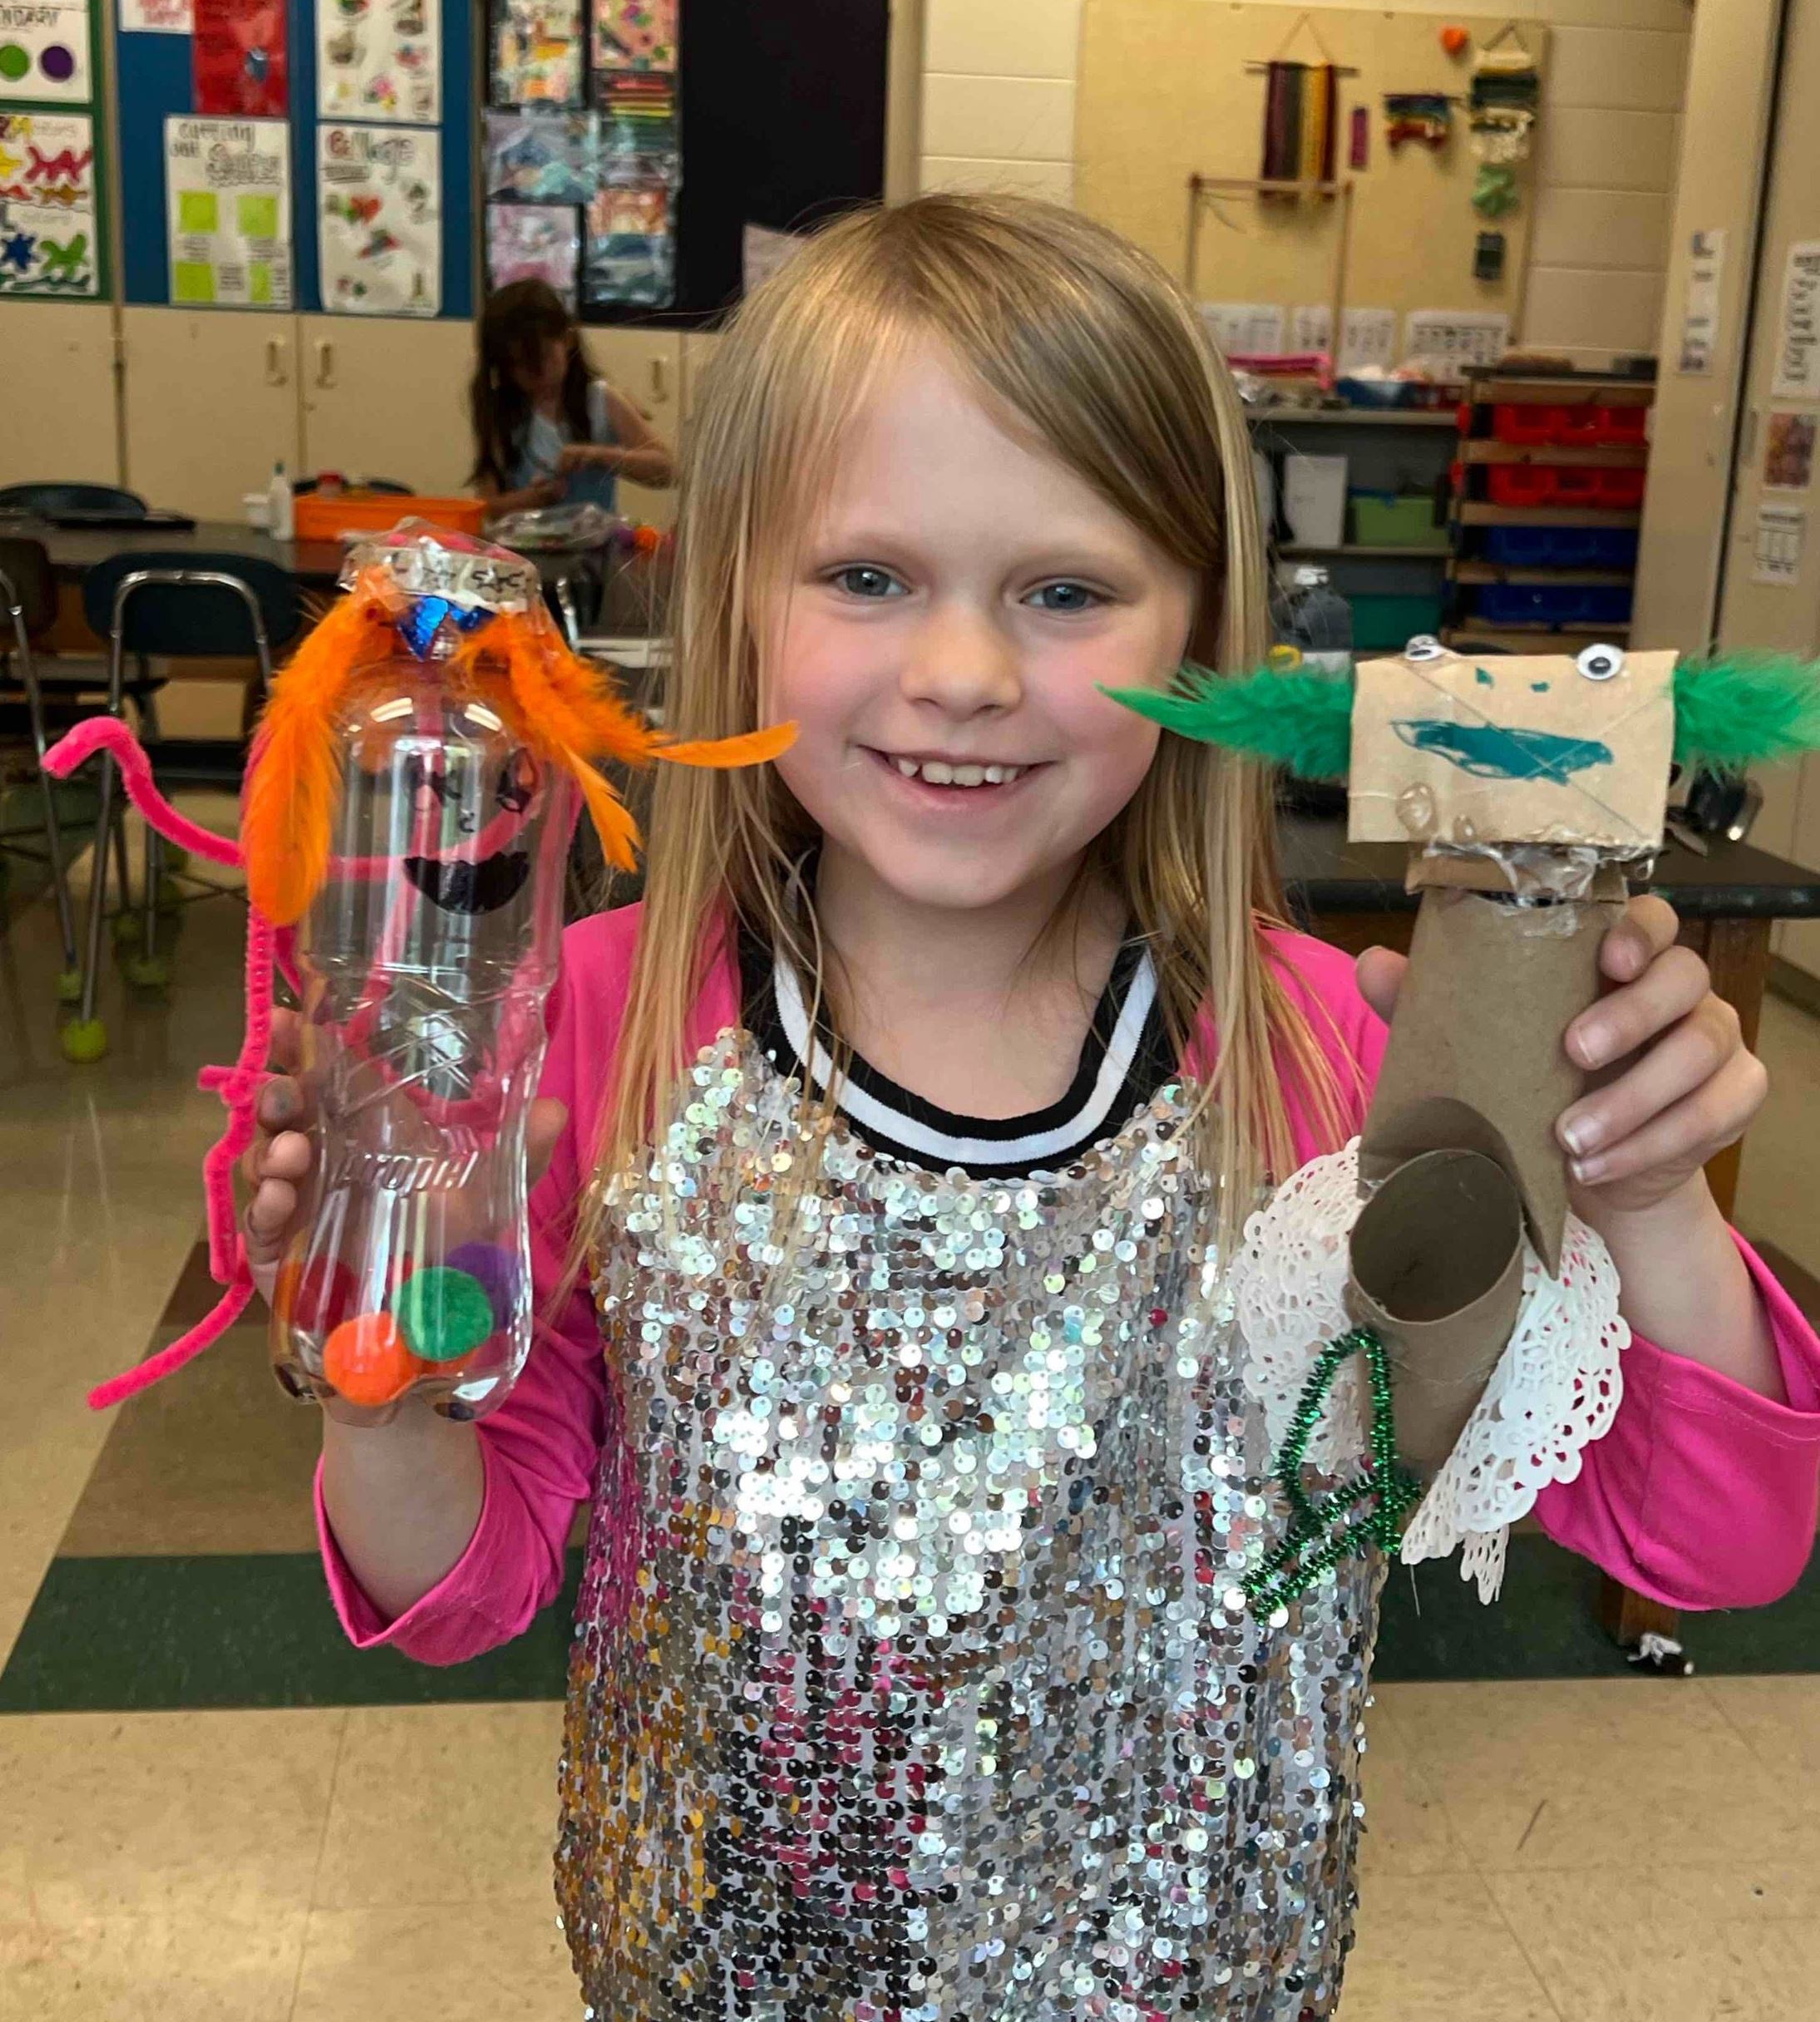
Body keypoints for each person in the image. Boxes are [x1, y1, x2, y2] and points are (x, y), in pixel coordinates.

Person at [245, 196, 1820, 2018]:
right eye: (864, 577)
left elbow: (1711, 1541)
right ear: (737, 594)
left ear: (1200, 627)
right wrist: (380, 1375)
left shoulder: (1324, 1057)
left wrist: (1644, 1192)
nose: (963, 675)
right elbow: (463, 1582)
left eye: (1063, 592)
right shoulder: (599, 1028)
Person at [468, 277, 676, 518]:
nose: (535, 376)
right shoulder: (502, 410)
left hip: (595, 539)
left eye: (542, 358)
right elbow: (486, 506)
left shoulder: (601, 400)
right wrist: (532, 499)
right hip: (523, 539)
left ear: (568, 339)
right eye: (516, 364)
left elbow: (668, 470)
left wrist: (600, 456)